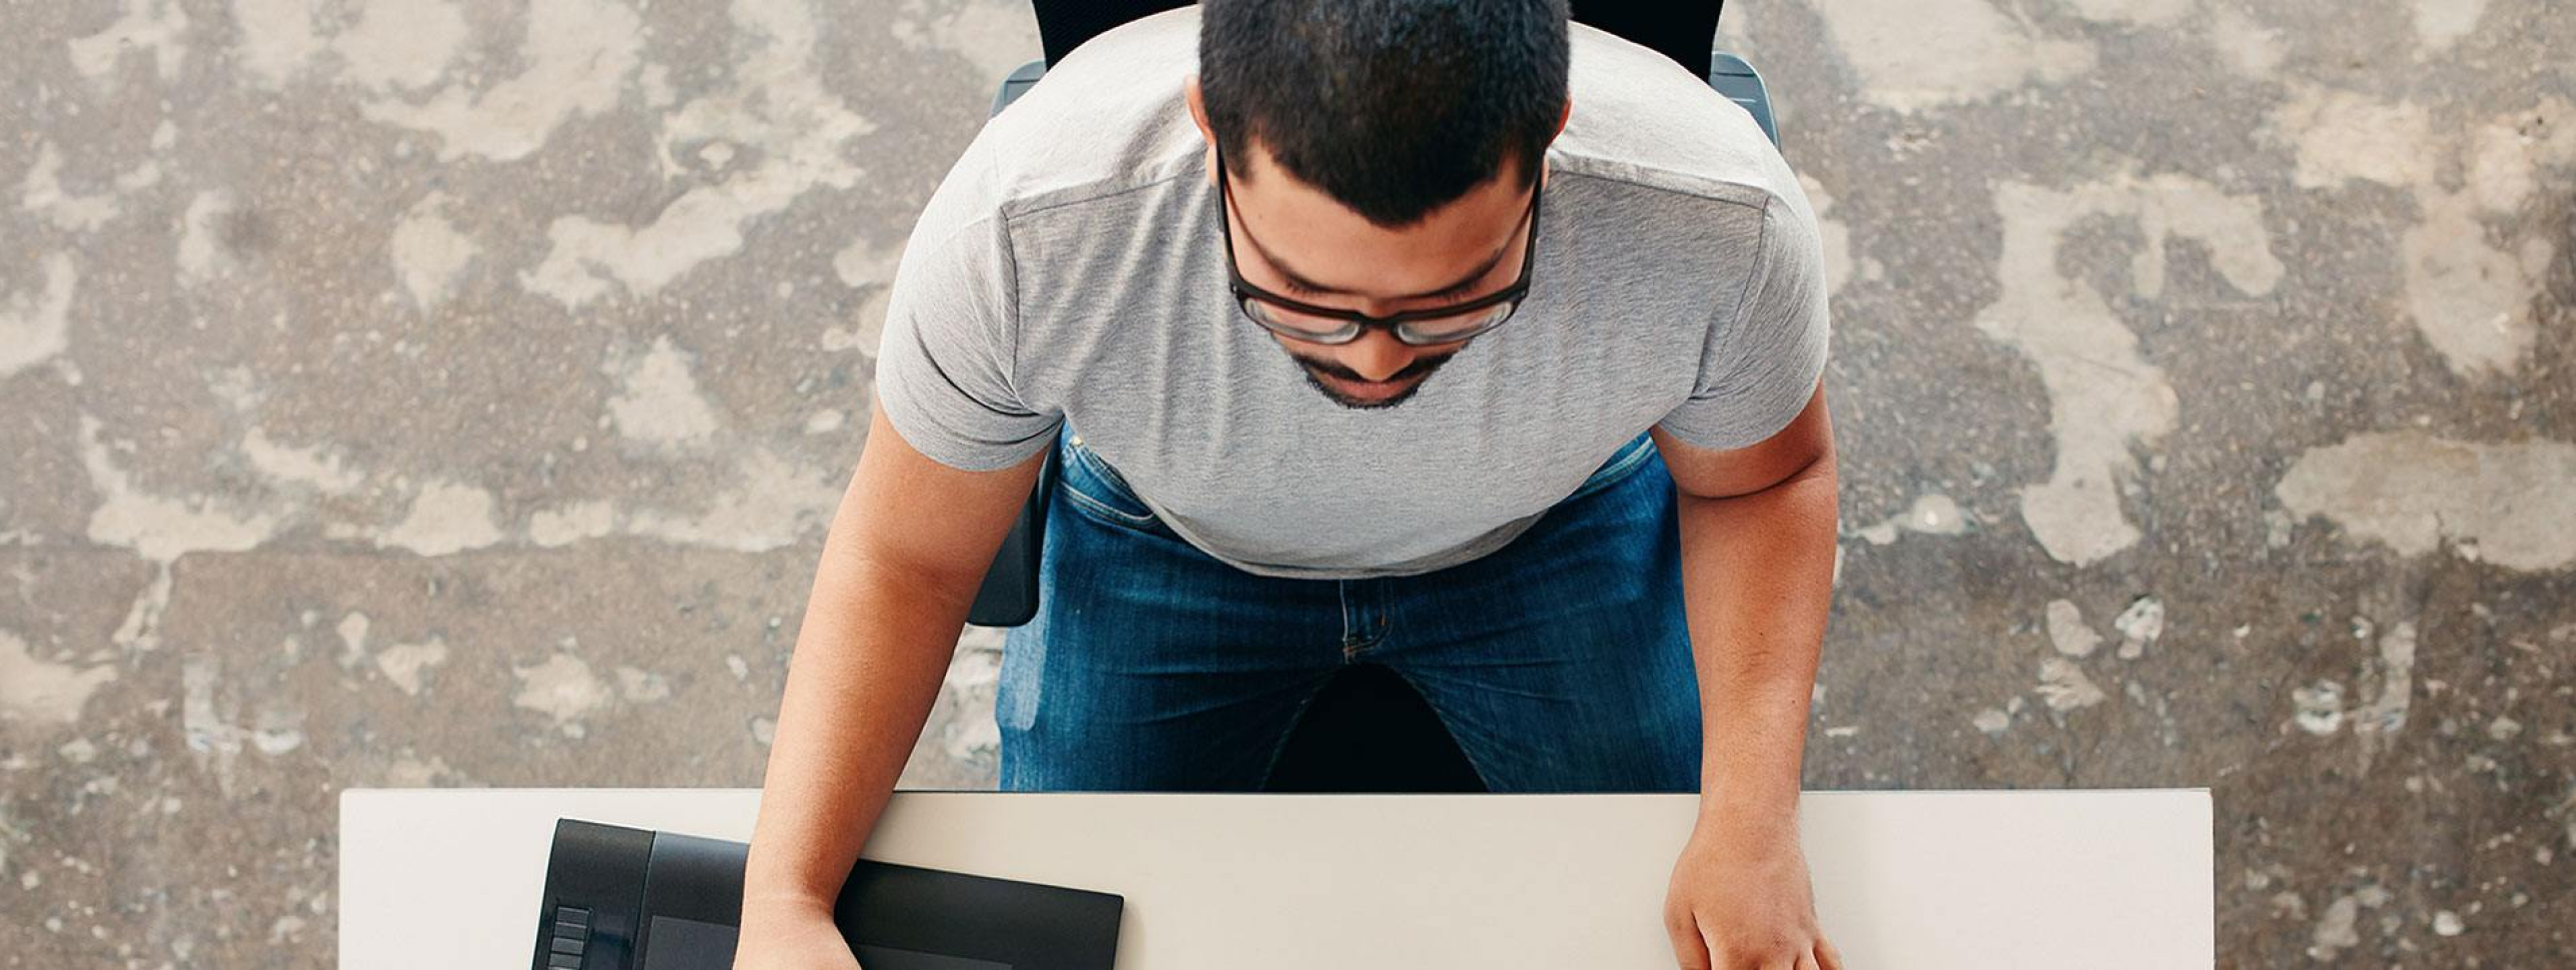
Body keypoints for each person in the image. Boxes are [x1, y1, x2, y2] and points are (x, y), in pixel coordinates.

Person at [734, 1, 1841, 968]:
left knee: (1647, 915)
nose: (1371, 363)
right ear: (1210, 125)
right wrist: (781, 902)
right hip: (1160, 539)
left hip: (1552, 530)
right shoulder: (1026, 228)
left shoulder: (1713, 216)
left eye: (1448, 300)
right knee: (1072, 916)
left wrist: (1750, 821)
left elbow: (1761, 482)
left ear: (1546, 139)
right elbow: (906, 556)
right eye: (1304, 298)